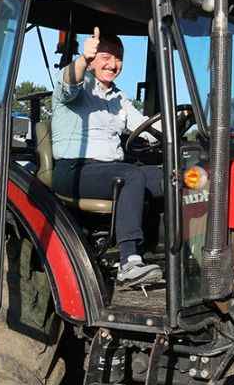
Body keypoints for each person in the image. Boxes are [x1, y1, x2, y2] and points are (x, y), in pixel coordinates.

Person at [51, 27, 163, 286]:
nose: (113, 64)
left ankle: (182, 255)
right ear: (92, 60)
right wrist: (82, 60)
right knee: (130, 175)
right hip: (74, 170)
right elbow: (69, 83)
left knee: (175, 177)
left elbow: (144, 127)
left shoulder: (118, 97)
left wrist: (179, 124)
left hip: (108, 170)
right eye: (105, 57)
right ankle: (129, 262)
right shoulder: (77, 86)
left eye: (118, 58)